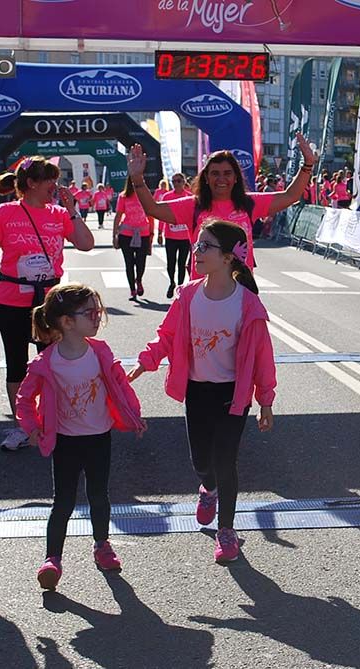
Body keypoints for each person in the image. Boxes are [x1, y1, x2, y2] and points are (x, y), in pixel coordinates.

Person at [128, 220, 276, 564]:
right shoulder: (188, 294)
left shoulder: (247, 305)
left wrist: (265, 401)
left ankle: (227, 531)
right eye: (196, 245)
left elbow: (261, 358)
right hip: (196, 392)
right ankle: (207, 489)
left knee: (226, 461)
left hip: (232, 396)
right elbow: (166, 335)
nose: (197, 252)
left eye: (205, 246)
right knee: (201, 463)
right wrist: (146, 360)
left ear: (227, 257)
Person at [16, 284, 147, 590]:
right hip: (65, 441)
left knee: (99, 495)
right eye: (90, 312)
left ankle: (102, 545)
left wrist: (134, 415)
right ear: (66, 322)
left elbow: (119, 386)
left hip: (99, 437)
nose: (97, 317)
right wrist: (31, 427)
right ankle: (52, 559)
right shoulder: (46, 363)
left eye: (98, 310)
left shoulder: (99, 352)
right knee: (62, 502)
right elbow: (24, 399)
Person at [0, 157, 94, 451]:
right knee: (17, 366)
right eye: (50, 181)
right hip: (12, 300)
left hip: (50, 304)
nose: (54, 187)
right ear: (31, 184)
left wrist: (72, 211)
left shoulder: (59, 214)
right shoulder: (4, 213)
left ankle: (52, 420)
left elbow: (86, 243)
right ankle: (23, 427)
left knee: (54, 364)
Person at [125, 132, 315, 278]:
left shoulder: (250, 203)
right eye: (215, 173)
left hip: (241, 291)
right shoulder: (193, 206)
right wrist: (137, 179)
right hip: (202, 292)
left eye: (227, 173)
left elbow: (290, 195)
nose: (221, 179)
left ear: (235, 178)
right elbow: (153, 209)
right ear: (206, 178)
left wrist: (307, 165)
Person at [112, 178, 153, 300]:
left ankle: (138, 279)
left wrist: (152, 234)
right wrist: (114, 235)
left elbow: (151, 214)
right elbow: (118, 215)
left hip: (143, 233)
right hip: (126, 234)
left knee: (141, 261)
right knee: (129, 263)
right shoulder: (123, 196)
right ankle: (132, 289)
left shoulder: (145, 196)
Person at [158, 173, 194, 298]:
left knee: (182, 263)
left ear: (184, 182)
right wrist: (159, 233)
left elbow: (195, 217)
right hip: (170, 236)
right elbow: (161, 215)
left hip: (185, 237)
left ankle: (179, 286)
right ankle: (172, 282)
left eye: (179, 181)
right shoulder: (167, 196)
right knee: (170, 263)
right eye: (174, 181)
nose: (176, 183)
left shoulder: (190, 197)